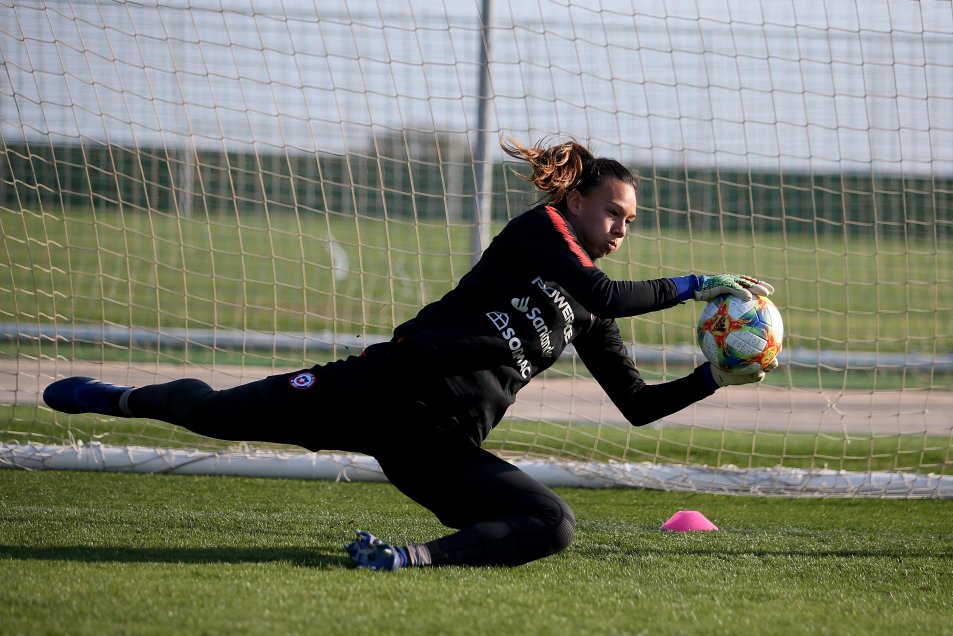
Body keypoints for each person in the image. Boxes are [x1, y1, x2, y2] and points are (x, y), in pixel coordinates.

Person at [43, 137, 777, 571]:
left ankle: (401, 559)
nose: (621, 228)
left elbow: (638, 406)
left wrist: (717, 374)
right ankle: (119, 398)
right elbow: (609, 290)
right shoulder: (540, 229)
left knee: (550, 525)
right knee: (214, 414)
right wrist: (692, 285)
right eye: (613, 212)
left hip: (440, 444)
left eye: (631, 221)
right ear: (578, 201)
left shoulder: (588, 310)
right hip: (384, 387)